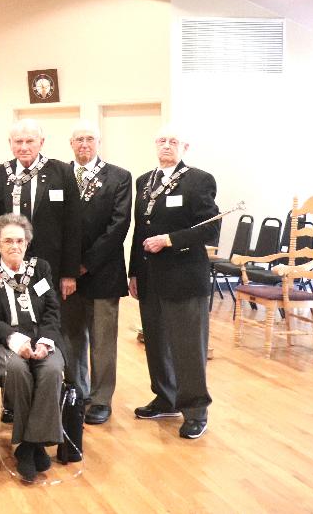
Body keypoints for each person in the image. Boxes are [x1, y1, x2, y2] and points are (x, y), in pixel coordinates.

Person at [129, 125, 219, 440]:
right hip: (150, 278)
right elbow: (139, 230)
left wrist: (170, 239)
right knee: (155, 343)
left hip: (184, 277)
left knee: (187, 347)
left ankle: (195, 410)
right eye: (162, 140)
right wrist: (134, 272)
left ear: (185, 147)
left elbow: (211, 229)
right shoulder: (144, 181)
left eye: (174, 141)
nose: (167, 145)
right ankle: (165, 398)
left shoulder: (199, 180)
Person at [0, 119, 82, 389]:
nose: (24, 146)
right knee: (11, 329)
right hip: (7, 267)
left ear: (42, 142)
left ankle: (58, 391)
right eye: (18, 141)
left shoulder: (62, 172)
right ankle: (13, 397)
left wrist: (69, 272)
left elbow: (73, 225)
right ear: (10, 144)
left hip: (47, 269)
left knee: (49, 327)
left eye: (30, 141)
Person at [0, 214, 64, 482]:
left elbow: (51, 311)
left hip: (40, 338)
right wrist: (15, 341)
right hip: (3, 341)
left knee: (52, 369)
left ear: (27, 243)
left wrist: (46, 342)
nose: (15, 246)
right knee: (17, 368)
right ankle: (33, 445)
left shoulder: (40, 269)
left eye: (20, 241)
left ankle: (29, 445)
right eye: (8, 241)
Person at [69, 123, 132, 425]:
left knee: (103, 341)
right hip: (67, 275)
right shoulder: (61, 174)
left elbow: (118, 226)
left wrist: (87, 263)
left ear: (98, 142)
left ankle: (101, 399)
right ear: (71, 144)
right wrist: (70, 265)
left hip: (104, 271)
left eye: (89, 139)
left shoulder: (119, 177)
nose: (84, 144)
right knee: (71, 339)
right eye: (79, 139)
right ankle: (77, 393)